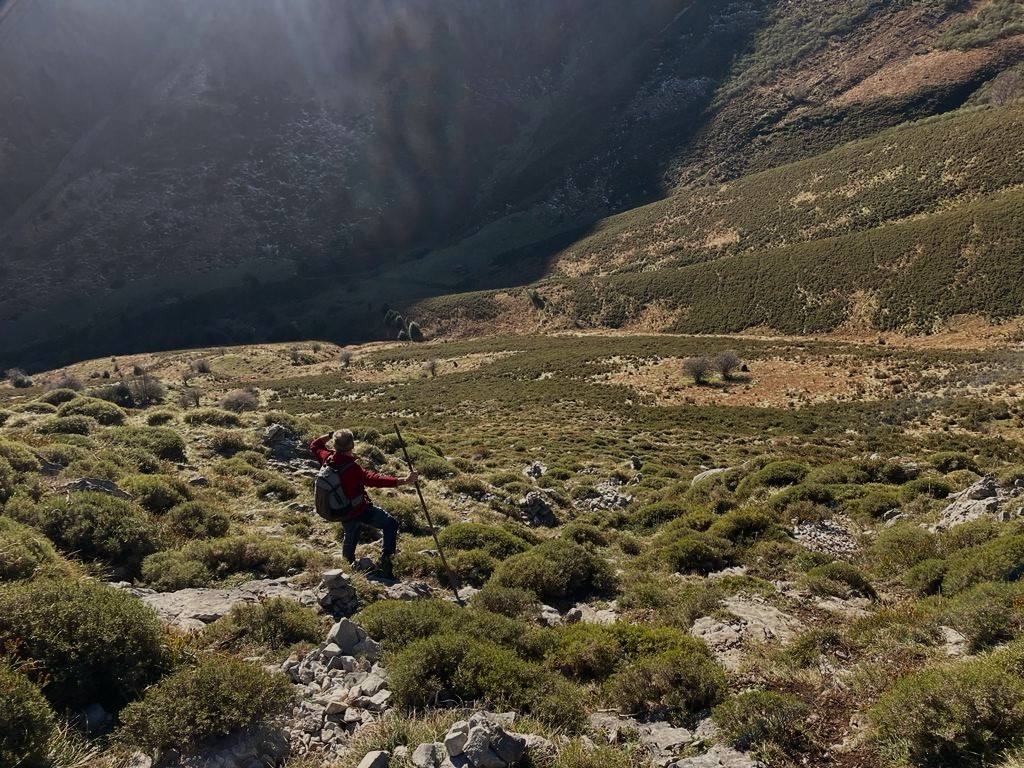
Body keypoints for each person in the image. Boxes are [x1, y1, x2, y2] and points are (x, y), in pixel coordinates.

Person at [309, 428, 417, 579]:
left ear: (334, 446)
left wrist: (329, 435)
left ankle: (348, 566)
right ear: (352, 446)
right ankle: (386, 564)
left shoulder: (327, 459)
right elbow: (374, 479)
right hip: (359, 509)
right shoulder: (352, 468)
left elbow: (315, 445)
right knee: (390, 524)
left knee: (351, 530)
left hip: (340, 510)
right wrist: (404, 480)